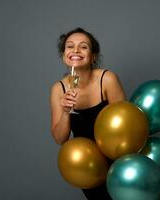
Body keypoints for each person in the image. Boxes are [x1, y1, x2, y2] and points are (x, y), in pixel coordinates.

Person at [50, 27, 126, 200]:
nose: (75, 50)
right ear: (64, 55)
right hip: (89, 167)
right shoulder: (58, 89)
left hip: (119, 160)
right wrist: (65, 112)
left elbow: (126, 125)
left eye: (83, 46)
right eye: (70, 46)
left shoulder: (107, 79)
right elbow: (60, 139)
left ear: (93, 56)